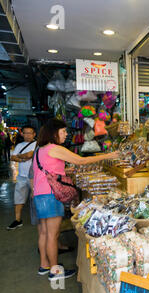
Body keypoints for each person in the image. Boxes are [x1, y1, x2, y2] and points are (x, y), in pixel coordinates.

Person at [33, 118, 119, 281]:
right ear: (54, 132)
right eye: (63, 131)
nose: (66, 134)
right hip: (51, 195)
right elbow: (82, 160)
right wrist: (110, 155)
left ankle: (44, 265)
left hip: (40, 194)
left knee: (44, 232)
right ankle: (55, 271)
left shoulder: (40, 149)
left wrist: (65, 169)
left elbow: (47, 168)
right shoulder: (54, 147)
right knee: (53, 234)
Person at [7, 125, 37, 230]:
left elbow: (30, 155)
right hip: (22, 177)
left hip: (35, 178)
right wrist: (22, 158)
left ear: (34, 134)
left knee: (36, 199)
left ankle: (39, 220)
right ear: (22, 134)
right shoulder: (19, 145)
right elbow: (12, 157)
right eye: (25, 133)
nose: (28, 135)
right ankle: (17, 220)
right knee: (18, 198)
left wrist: (19, 156)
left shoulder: (37, 144)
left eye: (30, 133)